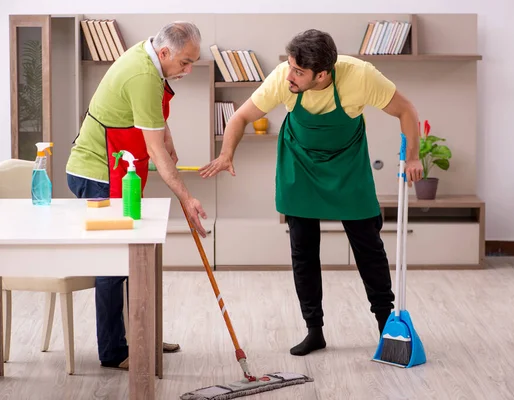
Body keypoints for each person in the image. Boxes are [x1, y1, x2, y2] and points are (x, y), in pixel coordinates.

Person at [198, 29, 423, 356]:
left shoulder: (360, 76)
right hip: (300, 164)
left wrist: (413, 156)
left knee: (368, 246)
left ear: (323, 74)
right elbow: (242, 116)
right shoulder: (283, 79)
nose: (289, 75)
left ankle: (386, 326)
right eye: (290, 66)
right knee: (303, 250)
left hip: (347, 165)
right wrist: (226, 154)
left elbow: (407, 111)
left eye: (298, 72)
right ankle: (314, 330)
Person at [65, 21, 209, 370]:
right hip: (97, 173)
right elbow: (156, 153)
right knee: (114, 266)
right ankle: (114, 351)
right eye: (185, 63)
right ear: (164, 53)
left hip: (115, 170)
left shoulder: (151, 61)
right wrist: (188, 200)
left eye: (192, 62)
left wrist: (169, 141)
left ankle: (138, 335)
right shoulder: (142, 75)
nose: (188, 70)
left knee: (134, 261)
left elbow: (151, 116)